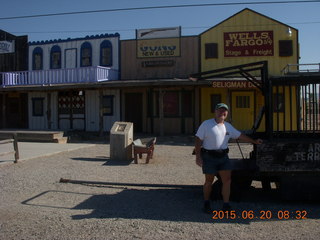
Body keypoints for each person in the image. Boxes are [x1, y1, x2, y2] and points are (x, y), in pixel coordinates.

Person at [194, 103, 262, 213]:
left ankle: (226, 205)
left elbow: (240, 136)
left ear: (227, 113)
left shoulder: (228, 126)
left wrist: (254, 141)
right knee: (208, 181)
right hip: (209, 157)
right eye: (220, 110)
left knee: (227, 181)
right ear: (215, 112)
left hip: (223, 157)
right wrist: (198, 156)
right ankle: (206, 203)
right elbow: (198, 140)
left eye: (224, 111)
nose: (222, 113)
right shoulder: (206, 124)